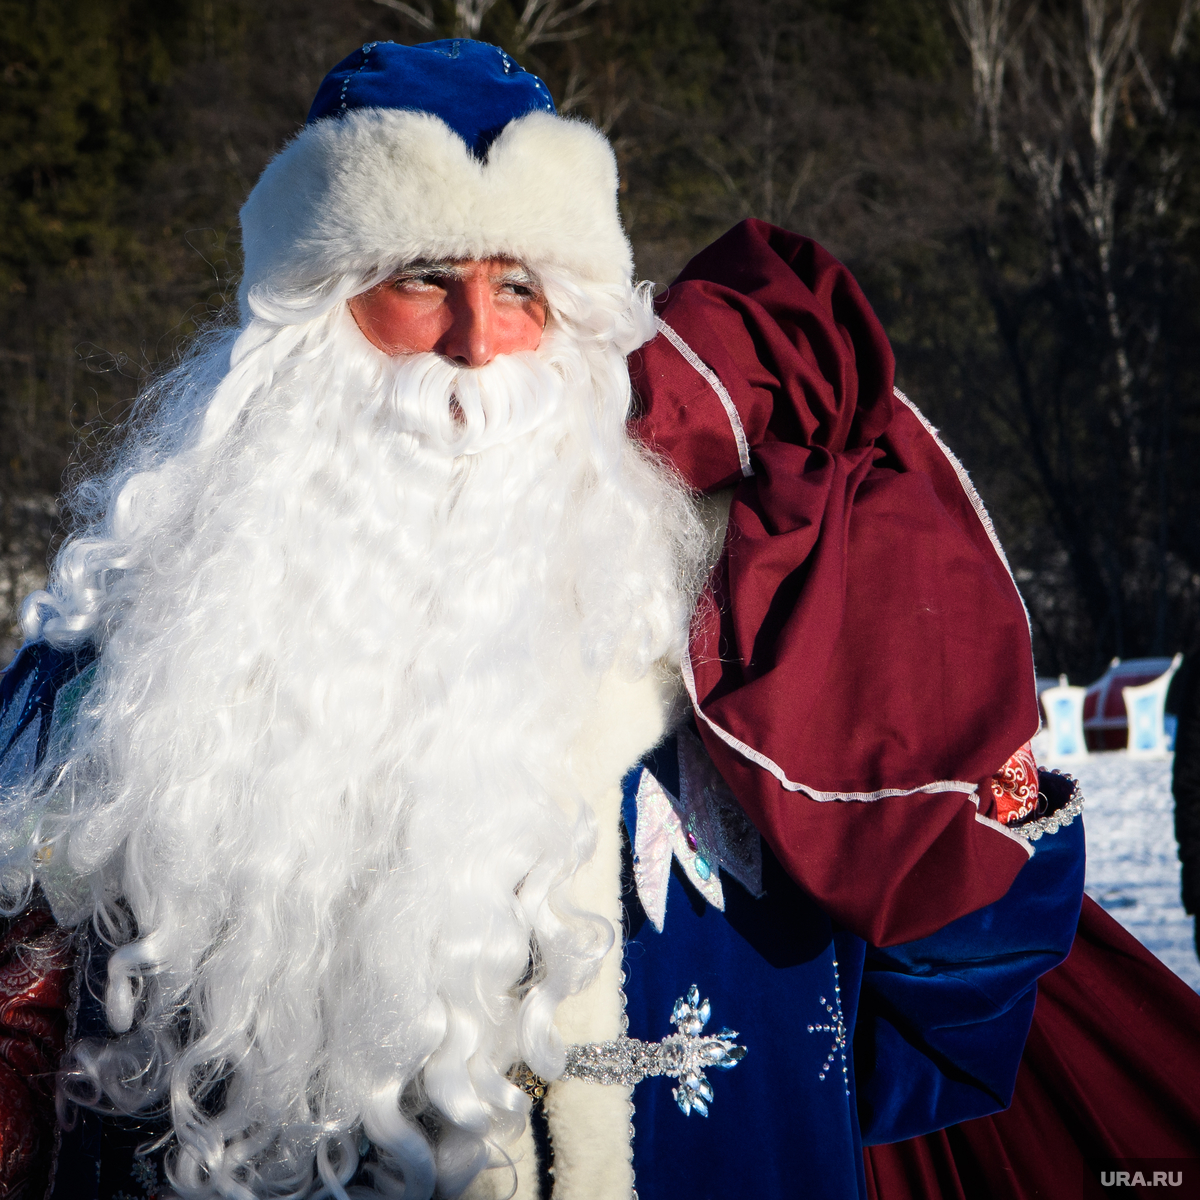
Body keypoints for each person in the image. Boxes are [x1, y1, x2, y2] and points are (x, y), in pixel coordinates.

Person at [0, 38, 1196, 1200]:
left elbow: (981, 920)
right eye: (421, 280)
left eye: (519, 286)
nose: (477, 343)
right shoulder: (129, 668)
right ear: (312, 316)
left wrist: (779, 1114)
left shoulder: (730, 611)